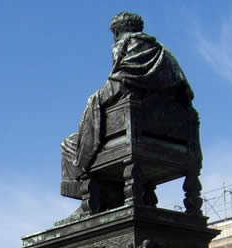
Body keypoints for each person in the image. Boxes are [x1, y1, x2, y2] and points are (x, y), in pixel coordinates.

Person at [60, 11, 193, 212]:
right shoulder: (165, 55)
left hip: (137, 130)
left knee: (71, 144)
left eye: (115, 35)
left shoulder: (128, 46)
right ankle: (113, 196)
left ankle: (93, 202)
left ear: (117, 32)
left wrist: (93, 101)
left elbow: (118, 86)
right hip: (177, 135)